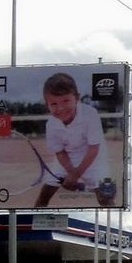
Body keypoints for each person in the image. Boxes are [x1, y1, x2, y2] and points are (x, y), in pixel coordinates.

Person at [33, 72, 117, 207]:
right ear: (47, 104)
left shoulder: (90, 114)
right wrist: (71, 172)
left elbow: (93, 149)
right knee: (45, 193)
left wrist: (75, 175)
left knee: (106, 197)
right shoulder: (51, 124)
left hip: (94, 158)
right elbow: (60, 152)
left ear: (77, 98)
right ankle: (32, 223)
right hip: (67, 158)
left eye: (66, 101)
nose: (60, 108)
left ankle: (110, 225)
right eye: (53, 104)